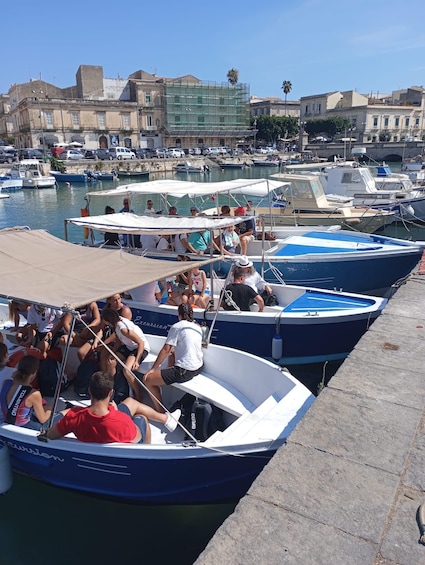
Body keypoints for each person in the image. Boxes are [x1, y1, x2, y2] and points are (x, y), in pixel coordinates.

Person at [45, 372, 182, 444]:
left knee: (129, 402)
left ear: (90, 391)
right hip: (113, 425)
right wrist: (114, 412)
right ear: (110, 393)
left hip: (97, 427)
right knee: (141, 418)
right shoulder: (122, 421)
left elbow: (50, 435)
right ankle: (163, 422)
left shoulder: (74, 417)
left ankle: (166, 419)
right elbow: (136, 437)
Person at [144, 304, 203, 412]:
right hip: (198, 367)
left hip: (184, 371)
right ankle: (166, 378)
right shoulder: (198, 327)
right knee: (172, 354)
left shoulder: (178, 326)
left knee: (148, 380)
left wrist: (152, 369)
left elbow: (166, 349)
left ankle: (160, 411)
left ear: (179, 314)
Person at [99, 308, 150, 401]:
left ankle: (138, 395)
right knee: (110, 361)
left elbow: (141, 343)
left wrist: (137, 361)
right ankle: (113, 389)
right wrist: (113, 353)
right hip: (128, 346)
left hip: (139, 348)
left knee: (126, 370)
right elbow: (119, 341)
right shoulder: (116, 325)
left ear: (107, 321)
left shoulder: (123, 329)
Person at [0, 355, 63, 430]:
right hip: (26, 427)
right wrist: (50, 409)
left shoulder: (6, 383)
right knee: (66, 412)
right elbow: (42, 420)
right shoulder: (34, 394)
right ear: (35, 373)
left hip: (7, 422)